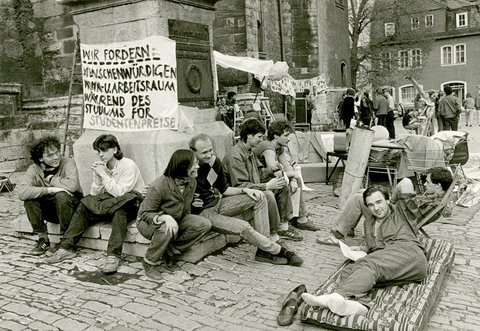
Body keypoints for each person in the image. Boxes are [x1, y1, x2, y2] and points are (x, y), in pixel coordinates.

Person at [303, 183, 436, 316]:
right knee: (349, 270)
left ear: (388, 200)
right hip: (392, 263)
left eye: (379, 202)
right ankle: (359, 305)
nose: (376, 208)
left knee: (369, 263)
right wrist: (362, 248)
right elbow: (375, 246)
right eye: (371, 205)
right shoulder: (369, 223)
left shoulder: (401, 214)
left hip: (410, 255)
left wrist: (394, 200)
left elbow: (405, 182)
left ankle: (336, 296)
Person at [189, 134, 303, 266]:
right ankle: (277, 251)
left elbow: (224, 189)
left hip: (218, 203)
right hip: (205, 212)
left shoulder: (214, 162)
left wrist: (246, 190)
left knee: (260, 196)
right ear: (193, 152)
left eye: (211, 150)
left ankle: (263, 250)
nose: (209, 155)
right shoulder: (186, 167)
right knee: (244, 227)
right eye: (204, 153)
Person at [46, 134, 145, 274]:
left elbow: (120, 192)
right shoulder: (102, 166)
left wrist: (104, 175)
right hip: (109, 201)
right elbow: (94, 194)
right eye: (98, 151)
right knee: (85, 204)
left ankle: (113, 255)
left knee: (120, 210)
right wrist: (98, 178)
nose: (100, 154)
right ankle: (67, 247)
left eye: (104, 150)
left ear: (115, 150)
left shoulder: (128, 165)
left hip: (130, 202)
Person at [317, 166, 453, 246]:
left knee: (358, 199)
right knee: (363, 193)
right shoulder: (437, 198)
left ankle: (337, 235)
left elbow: (409, 217)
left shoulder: (434, 204)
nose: (424, 184)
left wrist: (391, 202)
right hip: (398, 214)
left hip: (394, 220)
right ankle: (349, 226)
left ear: (438, 185)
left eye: (428, 182)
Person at [136, 150, 212, 280]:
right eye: (194, 164)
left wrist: (194, 205)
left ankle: (169, 252)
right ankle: (149, 262)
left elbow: (184, 205)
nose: (198, 166)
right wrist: (165, 217)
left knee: (204, 224)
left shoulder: (191, 181)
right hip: (149, 223)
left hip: (177, 218)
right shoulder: (158, 186)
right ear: (183, 167)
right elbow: (144, 213)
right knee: (166, 229)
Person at [223, 118, 303, 241]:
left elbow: (260, 173)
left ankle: (283, 227)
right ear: (249, 136)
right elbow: (240, 185)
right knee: (268, 194)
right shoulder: (235, 155)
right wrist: (266, 186)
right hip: (237, 193)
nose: (261, 140)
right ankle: (272, 235)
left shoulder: (250, 151)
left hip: (252, 186)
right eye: (259, 137)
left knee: (282, 186)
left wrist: (271, 170)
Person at [16, 136, 82, 256]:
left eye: (57, 152)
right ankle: (43, 239)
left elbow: (73, 186)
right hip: (52, 210)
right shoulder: (34, 169)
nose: (56, 157)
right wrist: (50, 190)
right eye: (50, 155)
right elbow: (21, 191)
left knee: (61, 195)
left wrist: (51, 179)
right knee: (30, 200)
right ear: (41, 158)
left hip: (71, 209)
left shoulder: (67, 162)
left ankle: (66, 241)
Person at [254, 119, 320, 231]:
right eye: (286, 135)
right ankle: (284, 224)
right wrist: (292, 174)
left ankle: (300, 218)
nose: (289, 138)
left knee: (297, 180)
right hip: (261, 180)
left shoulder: (279, 147)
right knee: (284, 182)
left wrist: (293, 179)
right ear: (276, 136)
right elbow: (276, 173)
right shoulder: (268, 147)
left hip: (270, 178)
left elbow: (286, 166)